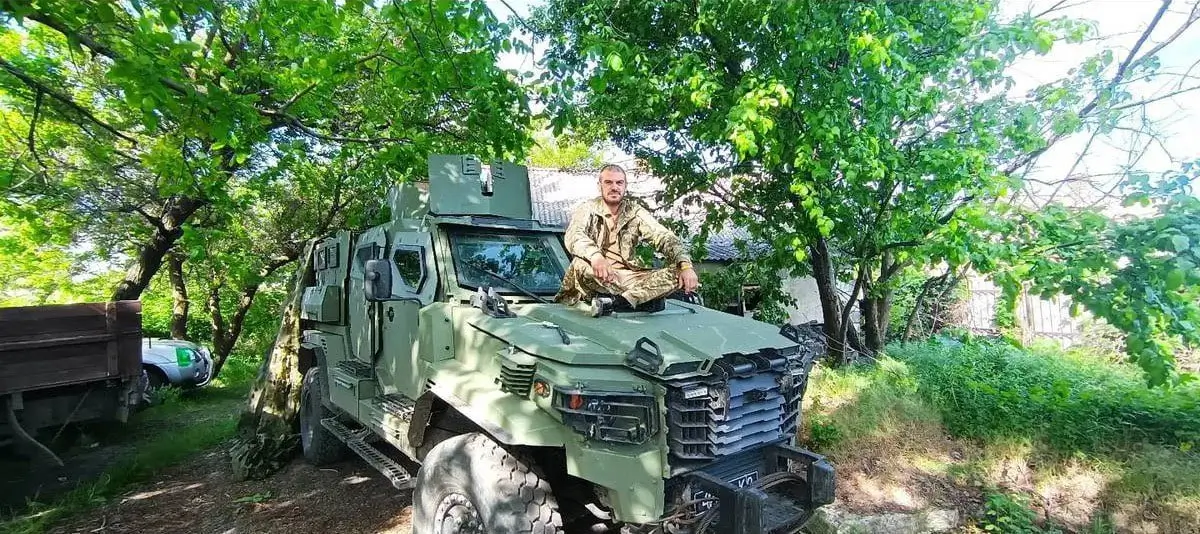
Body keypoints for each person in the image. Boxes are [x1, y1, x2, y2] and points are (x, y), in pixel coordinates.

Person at [555, 163, 700, 316]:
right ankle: (642, 299)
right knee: (580, 263)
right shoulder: (587, 209)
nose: (614, 187)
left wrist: (685, 265)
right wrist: (596, 256)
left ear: (625, 186)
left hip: (628, 279)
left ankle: (623, 302)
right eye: (608, 182)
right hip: (598, 276)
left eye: (619, 183)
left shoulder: (634, 211)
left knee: (679, 273)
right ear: (600, 186)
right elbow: (574, 235)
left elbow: (663, 236)